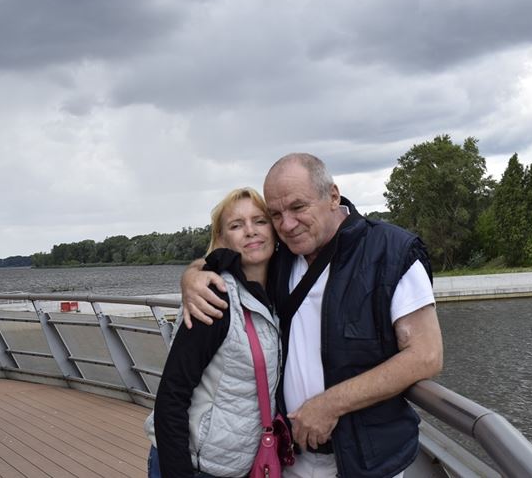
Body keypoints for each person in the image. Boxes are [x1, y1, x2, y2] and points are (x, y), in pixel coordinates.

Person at [181, 153, 443, 478]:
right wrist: (192, 277)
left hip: (367, 463)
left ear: (332, 196)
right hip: (292, 458)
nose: (287, 225)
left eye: (298, 207)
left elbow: (426, 356)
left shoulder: (391, 251)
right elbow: (226, 261)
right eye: (276, 215)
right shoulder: (281, 258)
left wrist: (330, 404)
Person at [145, 188, 281, 478]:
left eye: (260, 221)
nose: (250, 231)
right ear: (221, 239)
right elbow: (172, 396)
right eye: (236, 225)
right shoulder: (214, 299)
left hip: (236, 466)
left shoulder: (276, 295)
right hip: (196, 466)